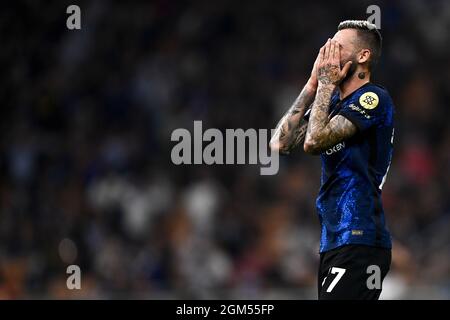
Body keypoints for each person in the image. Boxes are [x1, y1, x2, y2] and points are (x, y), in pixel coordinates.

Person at [270, 20, 395, 300]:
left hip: (360, 236)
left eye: (337, 46)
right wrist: (314, 82)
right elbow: (279, 142)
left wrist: (326, 83)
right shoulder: (332, 104)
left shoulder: (373, 98)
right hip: (335, 240)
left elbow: (313, 142)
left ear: (362, 56)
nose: (327, 53)